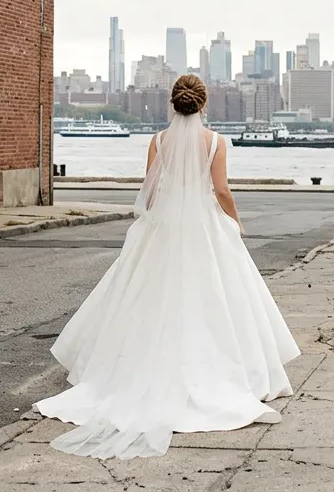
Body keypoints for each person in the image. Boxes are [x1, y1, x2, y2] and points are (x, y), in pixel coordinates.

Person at [35, 74, 300, 459]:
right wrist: (236, 221)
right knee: (214, 298)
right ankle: (229, 372)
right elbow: (221, 190)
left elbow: (150, 190)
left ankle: (132, 370)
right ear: (203, 104)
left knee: (150, 297)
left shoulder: (158, 141)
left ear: (173, 103)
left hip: (165, 227)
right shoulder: (216, 142)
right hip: (203, 227)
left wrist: (155, 219)